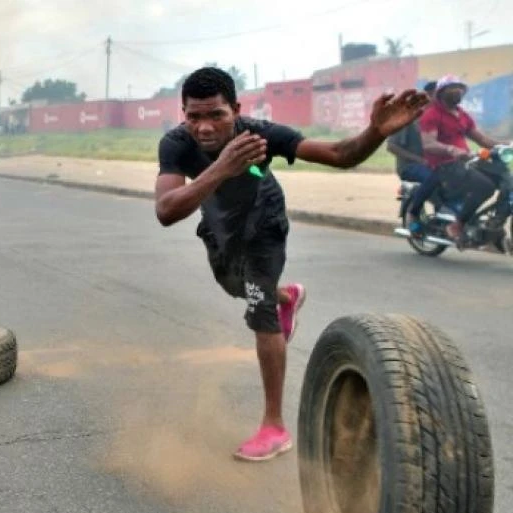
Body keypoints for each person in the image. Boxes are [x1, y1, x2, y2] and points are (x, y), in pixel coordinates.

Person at [154, 67, 428, 462]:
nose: (205, 126)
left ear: (236, 109)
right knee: (236, 287)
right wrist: (222, 168)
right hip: (220, 229)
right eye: (194, 116)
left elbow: (338, 154)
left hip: (264, 225)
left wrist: (376, 133)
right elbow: (165, 211)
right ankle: (287, 296)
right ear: (183, 114)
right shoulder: (176, 144)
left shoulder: (261, 134)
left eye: (216, 114)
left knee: (258, 308)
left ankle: (273, 426)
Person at [417, 74, 505, 242]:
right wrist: (451, 149)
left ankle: (495, 223)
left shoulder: (462, 115)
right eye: (453, 88)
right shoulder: (432, 114)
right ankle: (457, 224)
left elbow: (483, 140)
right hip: (444, 165)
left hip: (465, 161)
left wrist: (505, 145)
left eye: (460, 88)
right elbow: (428, 144)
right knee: (485, 186)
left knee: (504, 177)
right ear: (442, 92)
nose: (458, 91)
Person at [387, 82, 439, 228]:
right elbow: (391, 146)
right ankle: (413, 213)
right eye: (438, 94)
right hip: (410, 166)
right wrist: (420, 160)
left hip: (434, 164)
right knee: (433, 178)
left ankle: (445, 219)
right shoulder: (409, 117)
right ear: (429, 95)